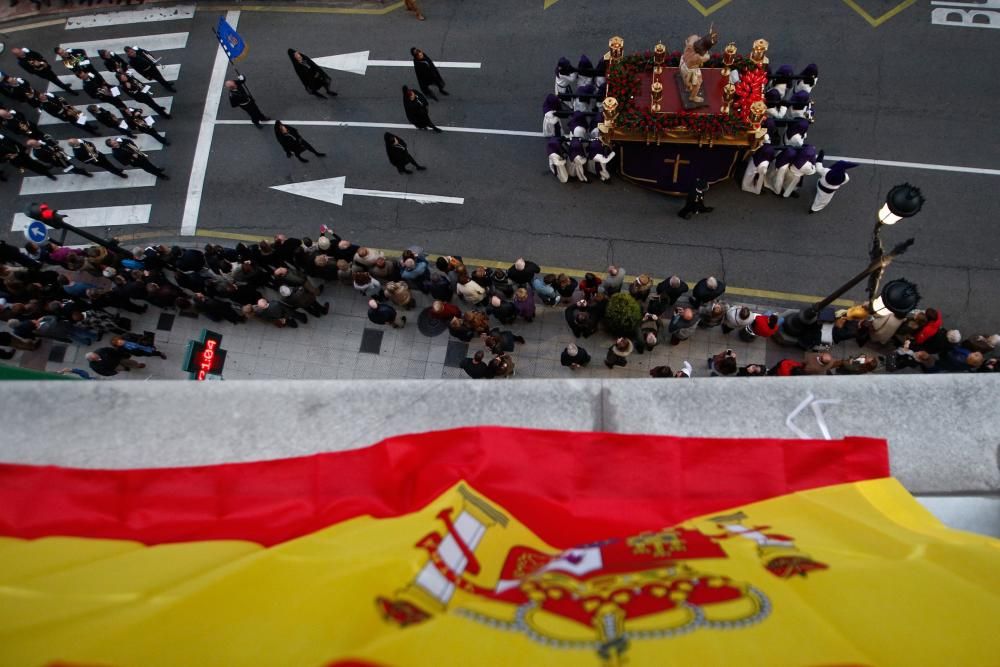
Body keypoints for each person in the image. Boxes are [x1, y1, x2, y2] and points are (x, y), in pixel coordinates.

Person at [11, 47, 76, 94]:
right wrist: (38, 67)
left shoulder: (28, 52)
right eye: (19, 53)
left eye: (20, 51)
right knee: (54, 80)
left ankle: (63, 86)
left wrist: (43, 62)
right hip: (43, 73)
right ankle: (68, 90)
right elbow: (31, 71)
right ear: (16, 55)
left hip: (46, 67)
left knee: (55, 77)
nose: (21, 52)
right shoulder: (21, 63)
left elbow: (38, 55)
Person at [27, 139, 93, 177]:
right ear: (33, 146)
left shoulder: (41, 143)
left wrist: (57, 149)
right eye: (36, 143)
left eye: (36, 141)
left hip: (60, 155)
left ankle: (76, 169)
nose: (38, 142)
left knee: (69, 163)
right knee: (68, 167)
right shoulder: (37, 153)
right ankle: (82, 172)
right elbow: (46, 160)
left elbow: (50, 146)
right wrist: (55, 156)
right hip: (57, 161)